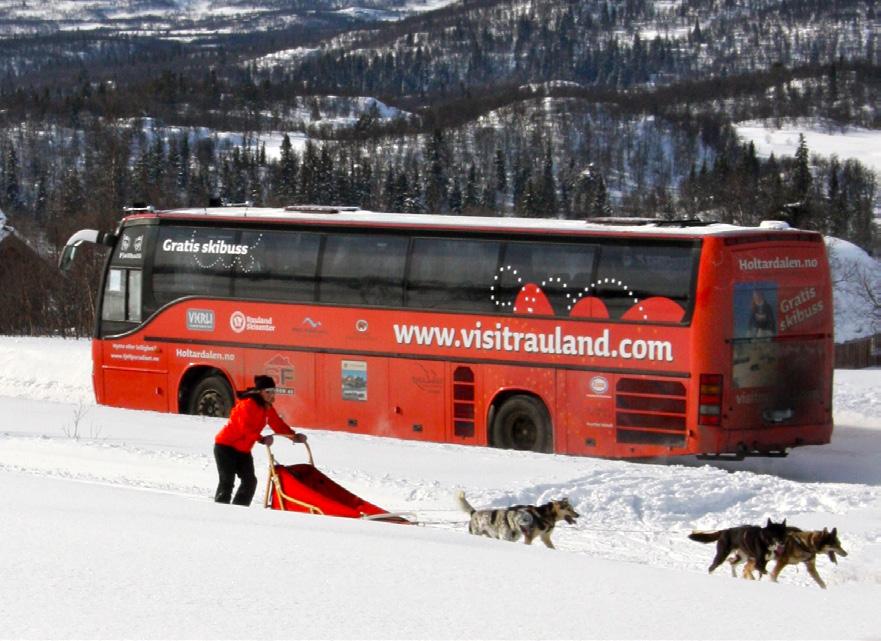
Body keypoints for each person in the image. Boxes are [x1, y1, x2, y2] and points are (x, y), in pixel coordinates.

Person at [213, 374, 307, 505]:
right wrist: (261, 439)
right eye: (268, 392)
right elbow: (244, 427)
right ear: (259, 392)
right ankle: (220, 512)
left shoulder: (266, 407)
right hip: (226, 446)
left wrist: (293, 436)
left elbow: (277, 424)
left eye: (273, 392)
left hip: (243, 450)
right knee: (227, 482)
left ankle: (239, 510)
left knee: (250, 482)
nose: (271, 395)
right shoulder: (247, 404)